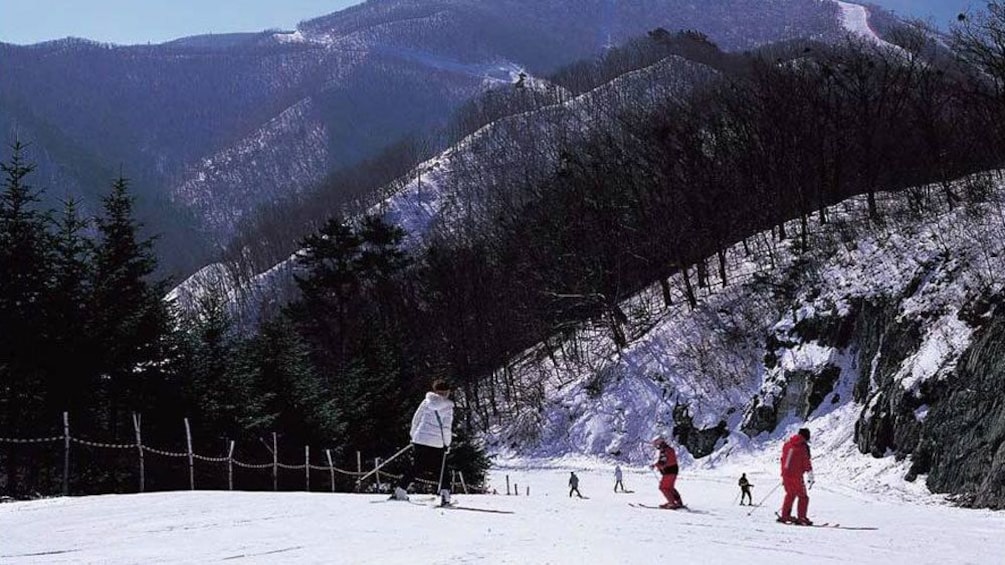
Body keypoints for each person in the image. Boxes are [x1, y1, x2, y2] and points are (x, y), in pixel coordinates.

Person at [392, 380, 455, 506]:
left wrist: (414, 436)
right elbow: (446, 428)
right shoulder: (448, 407)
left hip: (420, 439)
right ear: (447, 392)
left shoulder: (426, 401)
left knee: (416, 466)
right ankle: (445, 495)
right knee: (441, 470)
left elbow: (416, 419)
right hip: (437, 442)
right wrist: (447, 443)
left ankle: (401, 490)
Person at [778, 428, 814, 525]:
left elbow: (783, 459)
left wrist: (784, 474)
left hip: (785, 474)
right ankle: (801, 517)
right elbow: (806, 461)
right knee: (803, 497)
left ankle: (785, 515)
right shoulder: (803, 447)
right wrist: (810, 475)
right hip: (796, 476)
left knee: (790, 494)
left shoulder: (787, 444)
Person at [650, 437, 684, 509]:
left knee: (663, 487)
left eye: (656, 445)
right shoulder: (669, 449)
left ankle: (672, 503)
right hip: (673, 470)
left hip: (669, 471)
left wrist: (655, 466)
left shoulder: (664, 450)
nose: (656, 447)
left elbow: (663, 462)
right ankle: (678, 502)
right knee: (670, 488)